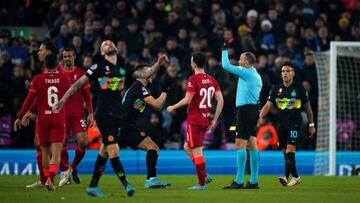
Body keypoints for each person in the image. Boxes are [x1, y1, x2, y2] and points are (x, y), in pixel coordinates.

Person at [53, 40, 135, 197]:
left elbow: (140, 76)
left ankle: (92, 185)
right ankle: (126, 183)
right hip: (103, 114)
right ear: (102, 52)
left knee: (104, 150)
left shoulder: (123, 68)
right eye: (105, 44)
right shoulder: (97, 68)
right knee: (113, 149)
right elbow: (77, 86)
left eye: (110, 42)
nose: (109, 44)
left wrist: (157, 65)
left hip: (116, 115)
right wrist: (63, 100)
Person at [167, 52, 224, 190]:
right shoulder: (212, 80)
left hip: (195, 121)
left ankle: (202, 183)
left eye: (191, 61)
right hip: (205, 120)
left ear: (193, 63)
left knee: (197, 152)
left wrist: (172, 106)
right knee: (187, 147)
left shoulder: (193, 79)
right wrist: (214, 119)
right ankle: (204, 174)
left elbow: (187, 100)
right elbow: (221, 100)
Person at [14, 54, 71, 191]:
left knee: (44, 152)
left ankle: (46, 179)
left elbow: (29, 100)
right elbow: (67, 98)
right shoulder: (64, 78)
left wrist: (20, 116)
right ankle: (50, 180)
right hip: (58, 119)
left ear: (44, 65)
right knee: (56, 154)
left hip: (43, 120)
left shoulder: (38, 79)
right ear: (57, 65)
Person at [258, 63, 316, 186]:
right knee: (285, 153)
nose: (285, 73)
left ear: (293, 73)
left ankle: (285, 176)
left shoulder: (300, 89)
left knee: (290, 150)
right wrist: (260, 116)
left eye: (288, 71)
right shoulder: (276, 89)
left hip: (295, 123)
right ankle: (296, 176)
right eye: (283, 71)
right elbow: (268, 105)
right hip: (282, 124)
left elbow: (308, 109)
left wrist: (311, 125)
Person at [118, 58, 171, 189]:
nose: (152, 73)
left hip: (128, 126)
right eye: (149, 71)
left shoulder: (139, 89)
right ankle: (151, 180)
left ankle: (152, 179)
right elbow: (157, 105)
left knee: (154, 148)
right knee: (152, 148)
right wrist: (165, 92)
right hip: (126, 127)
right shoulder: (138, 88)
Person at [221, 39, 262, 189]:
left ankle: (238, 181)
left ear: (246, 62)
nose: (238, 61)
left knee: (240, 144)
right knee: (252, 145)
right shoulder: (256, 75)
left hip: (245, 112)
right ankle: (253, 181)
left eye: (241, 59)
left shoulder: (246, 73)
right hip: (252, 111)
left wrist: (224, 49)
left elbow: (225, 65)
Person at [20, 42, 60, 188]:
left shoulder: (54, 71)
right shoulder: (46, 71)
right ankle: (45, 180)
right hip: (49, 115)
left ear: (49, 52)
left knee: (46, 147)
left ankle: (51, 178)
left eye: (41, 50)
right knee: (40, 146)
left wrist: (26, 112)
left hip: (50, 116)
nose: (38, 52)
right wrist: (30, 111)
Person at [58, 48, 94, 186]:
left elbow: (87, 95)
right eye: (65, 56)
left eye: (69, 56)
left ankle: (71, 168)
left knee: (83, 142)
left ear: (74, 57)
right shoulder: (58, 72)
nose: (67, 58)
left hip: (78, 114)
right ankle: (65, 171)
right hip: (62, 114)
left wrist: (90, 112)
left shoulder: (80, 73)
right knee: (62, 142)